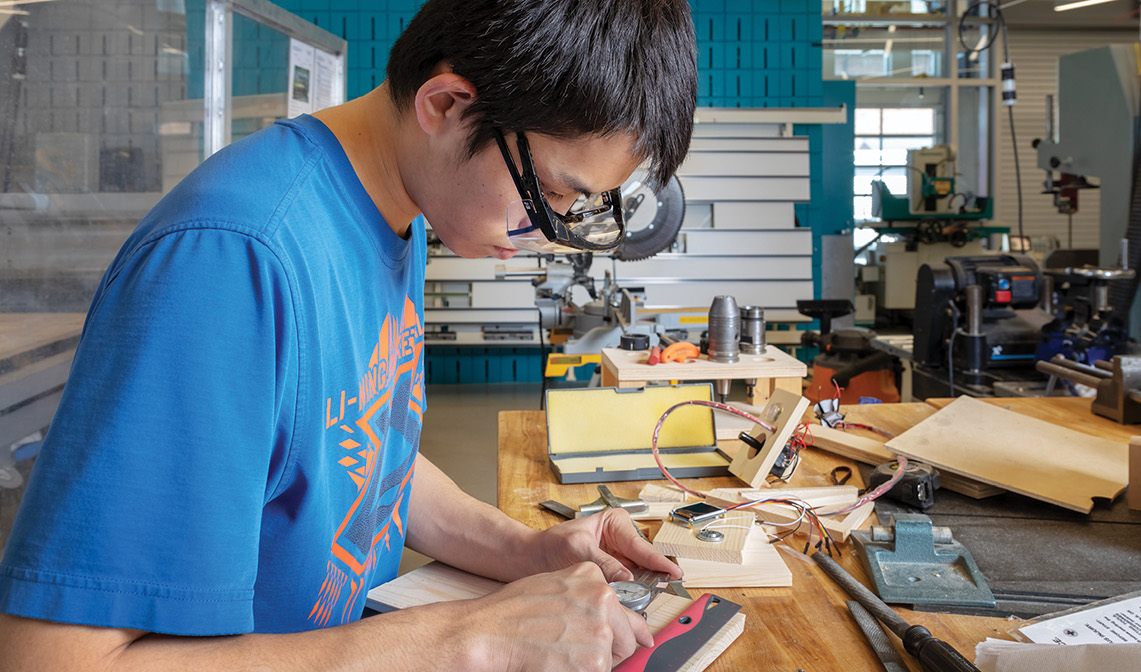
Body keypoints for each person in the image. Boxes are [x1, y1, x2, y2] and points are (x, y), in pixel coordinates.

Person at [0, 0, 697, 669]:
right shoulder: (232, 260)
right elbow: (53, 662)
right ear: (447, 106)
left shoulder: (401, 211)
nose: (549, 233)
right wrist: (466, 641)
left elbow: (357, 458)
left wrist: (528, 549)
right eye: (550, 191)